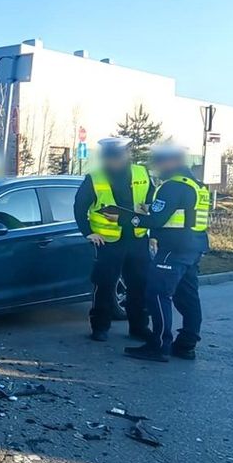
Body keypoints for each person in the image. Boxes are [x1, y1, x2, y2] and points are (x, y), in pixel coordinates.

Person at [120, 143, 210, 362]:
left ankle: (158, 345)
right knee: (188, 296)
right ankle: (187, 344)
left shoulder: (173, 186)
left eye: (160, 162)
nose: (157, 167)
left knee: (158, 294)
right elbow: (178, 214)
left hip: (173, 249)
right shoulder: (197, 185)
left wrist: (126, 217)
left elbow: (156, 220)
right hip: (194, 246)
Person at [72, 136, 153, 342]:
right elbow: (80, 208)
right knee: (104, 285)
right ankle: (100, 327)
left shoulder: (141, 173)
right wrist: (88, 232)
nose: (112, 161)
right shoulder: (95, 177)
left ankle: (138, 327)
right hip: (108, 242)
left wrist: (136, 219)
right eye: (108, 157)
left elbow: (150, 204)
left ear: (126, 155)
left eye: (116, 156)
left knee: (138, 285)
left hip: (137, 239)